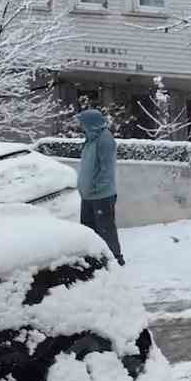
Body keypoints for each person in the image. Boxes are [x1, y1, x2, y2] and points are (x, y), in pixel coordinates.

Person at [76, 108, 125, 266]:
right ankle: (92, 258)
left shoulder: (105, 139)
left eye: (82, 122)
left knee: (105, 229)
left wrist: (96, 187)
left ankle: (116, 258)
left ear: (91, 123)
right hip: (88, 194)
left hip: (102, 195)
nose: (80, 126)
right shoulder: (90, 138)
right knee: (88, 230)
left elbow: (107, 169)